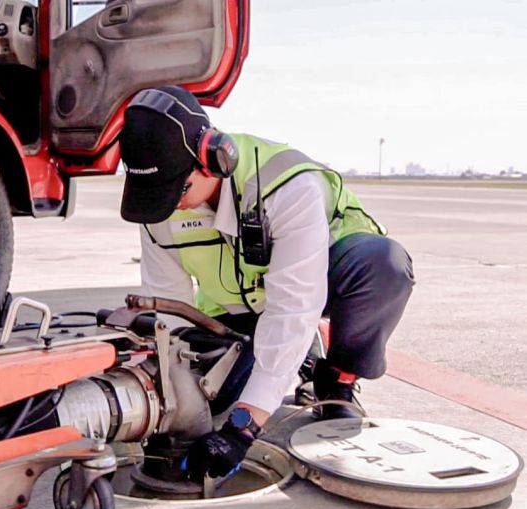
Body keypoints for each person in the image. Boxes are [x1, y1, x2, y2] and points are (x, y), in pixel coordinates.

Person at [118, 86, 414, 481]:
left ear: (213, 158)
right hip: (236, 312)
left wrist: (245, 425)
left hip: (324, 279)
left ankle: (335, 379)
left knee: (382, 265)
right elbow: (169, 306)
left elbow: (294, 303)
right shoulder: (159, 207)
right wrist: (170, 391)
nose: (170, 204)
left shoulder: (285, 186)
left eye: (178, 189)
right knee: (210, 400)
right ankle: (298, 347)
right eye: (157, 194)